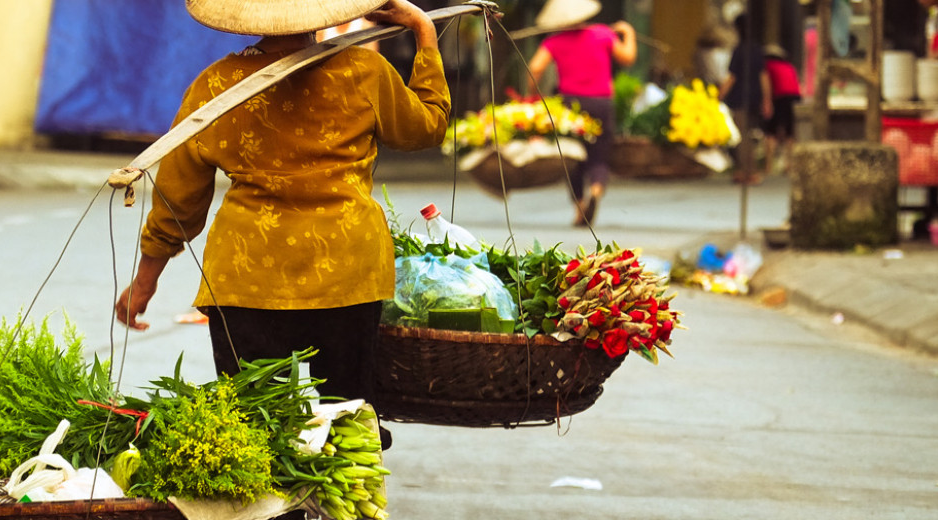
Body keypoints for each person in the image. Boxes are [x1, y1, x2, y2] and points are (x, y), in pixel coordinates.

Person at [114, 0, 449, 433]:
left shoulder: (217, 84)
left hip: (247, 279)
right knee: (346, 423)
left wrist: (144, 284)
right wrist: (423, 31)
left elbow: (179, 199)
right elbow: (427, 127)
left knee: (255, 432)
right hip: (346, 275)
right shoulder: (363, 71)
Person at [525, 0, 637, 226]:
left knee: (573, 157)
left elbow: (536, 67)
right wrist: (629, 33)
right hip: (602, 103)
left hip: (571, 106)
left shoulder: (553, 41)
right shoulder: (603, 34)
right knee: (599, 156)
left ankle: (579, 208)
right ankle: (595, 191)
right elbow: (628, 58)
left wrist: (532, 95)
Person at [720, 13, 769, 185]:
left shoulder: (739, 50)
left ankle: (749, 171)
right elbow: (764, 76)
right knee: (747, 133)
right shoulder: (757, 49)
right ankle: (747, 170)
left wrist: (720, 94)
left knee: (742, 136)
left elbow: (732, 77)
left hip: (740, 97)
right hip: (754, 97)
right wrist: (766, 99)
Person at [761, 44, 801, 175]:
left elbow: (766, 84)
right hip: (794, 97)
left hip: (779, 97)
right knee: (790, 132)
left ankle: (768, 166)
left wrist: (766, 101)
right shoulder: (789, 66)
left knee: (770, 132)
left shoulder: (767, 65)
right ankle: (789, 165)